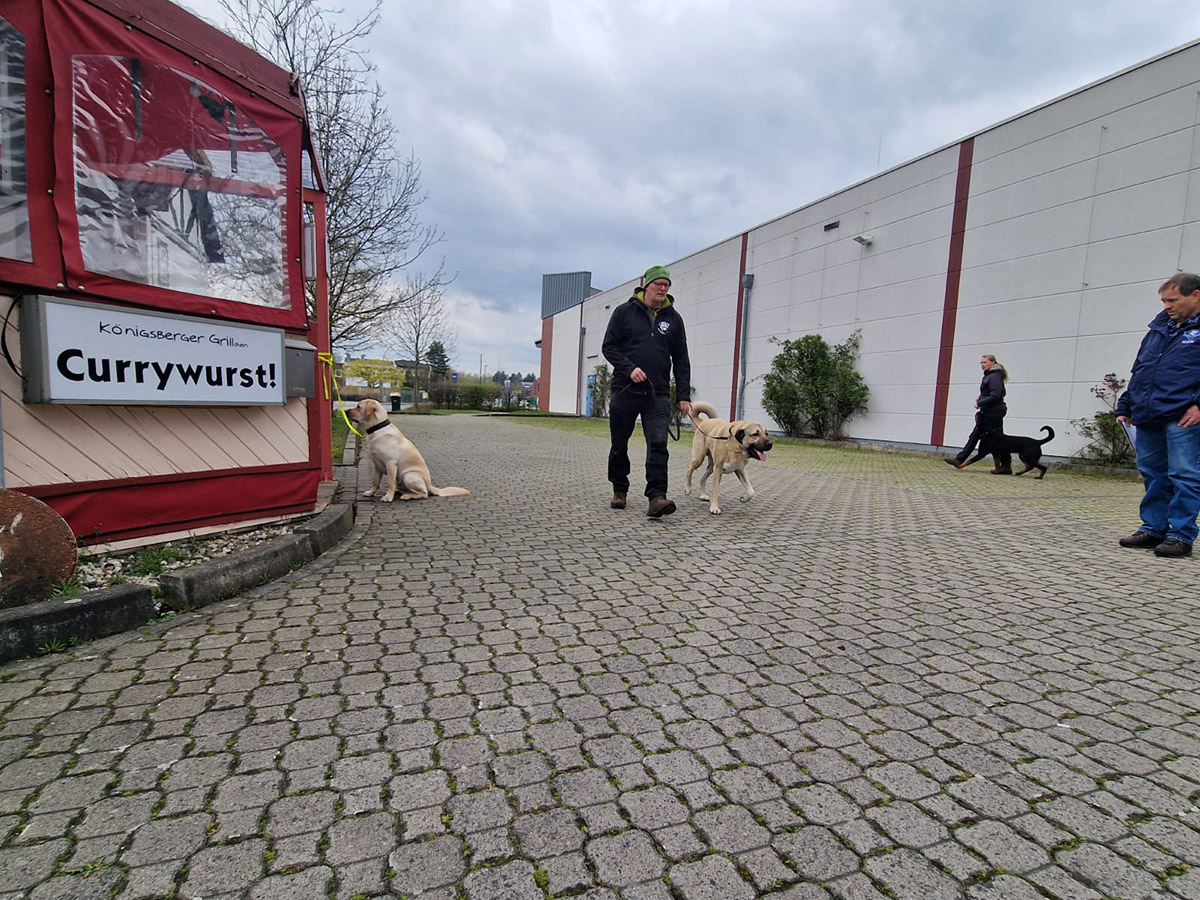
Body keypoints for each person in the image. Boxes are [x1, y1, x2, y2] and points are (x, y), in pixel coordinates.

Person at [1115, 273, 1200, 558]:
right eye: (1163, 300)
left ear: (1196, 295)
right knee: (1153, 473)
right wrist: (1126, 404)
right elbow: (1140, 369)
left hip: (1183, 416)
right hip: (1148, 414)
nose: (1166, 306)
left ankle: (1181, 535)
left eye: (1172, 300)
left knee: (1184, 475)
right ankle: (1153, 528)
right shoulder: (1158, 329)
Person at [602, 265, 693, 517]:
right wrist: (629, 368)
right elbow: (608, 347)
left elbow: (682, 358)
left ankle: (657, 497)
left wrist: (683, 395)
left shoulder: (673, 319)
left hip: (658, 394)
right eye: (658, 285)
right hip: (625, 389)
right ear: (646, 286)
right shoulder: (624, 312)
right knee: (619, 444)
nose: (663, 289)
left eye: (667, 285)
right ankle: (619, 489)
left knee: (658, 443)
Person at [946, 353, 1012, 473]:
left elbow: (996, 395)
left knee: (994, 438)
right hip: (989, 411)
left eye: (985, 362)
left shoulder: (994, 376)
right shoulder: (991, 375)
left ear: (993, 362)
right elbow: (990, 393)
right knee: (978, 436)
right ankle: (960, 459)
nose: (982, 365)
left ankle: (1005, 466)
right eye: (981, 363)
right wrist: (980, 397)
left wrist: (980, 403)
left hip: (993, 413)